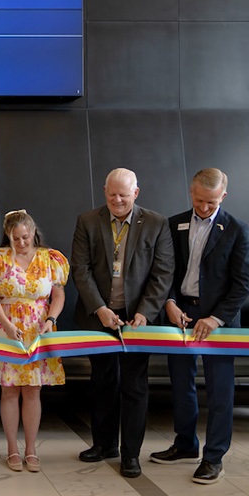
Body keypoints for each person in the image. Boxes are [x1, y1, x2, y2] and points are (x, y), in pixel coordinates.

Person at [149, 168, 249, 484]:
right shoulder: (173, 224)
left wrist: (215, 318)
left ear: (223, 196)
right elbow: (164, 272)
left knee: (220, 391)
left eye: (210, 201)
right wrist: (168, 303)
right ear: (190, 192)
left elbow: (242, 285)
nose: (203, 207)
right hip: (182, 315)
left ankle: (213, 457)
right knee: (181, 384)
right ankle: (185, 445)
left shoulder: (237, 230)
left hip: (218, 321)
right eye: (198, 200)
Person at [71, 168, 174, 478]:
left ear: (136, 194)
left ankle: (130, 454)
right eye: (112, 194)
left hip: (138, 320)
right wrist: (100, 309)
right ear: (105, 191)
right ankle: (104, 444)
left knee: (134, 386)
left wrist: (145, 312)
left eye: (124, 195)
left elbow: (162, 273)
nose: (117, 200)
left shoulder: (156, 223)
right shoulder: (87, 220)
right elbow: (81, 269)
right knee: (102, 382)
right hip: (99, 317)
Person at [0, 210, 68, 473]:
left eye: (25, 237)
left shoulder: (50, 258)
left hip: (38, 328)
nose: (21, 243)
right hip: (4, 326)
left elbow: (58, 295)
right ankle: (12, 449)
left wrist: (50, 320)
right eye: (15, 238)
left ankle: (31, 449)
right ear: (9, 236)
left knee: (33, 389)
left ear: (33, 232)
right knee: (9, 389)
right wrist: (6, 325)